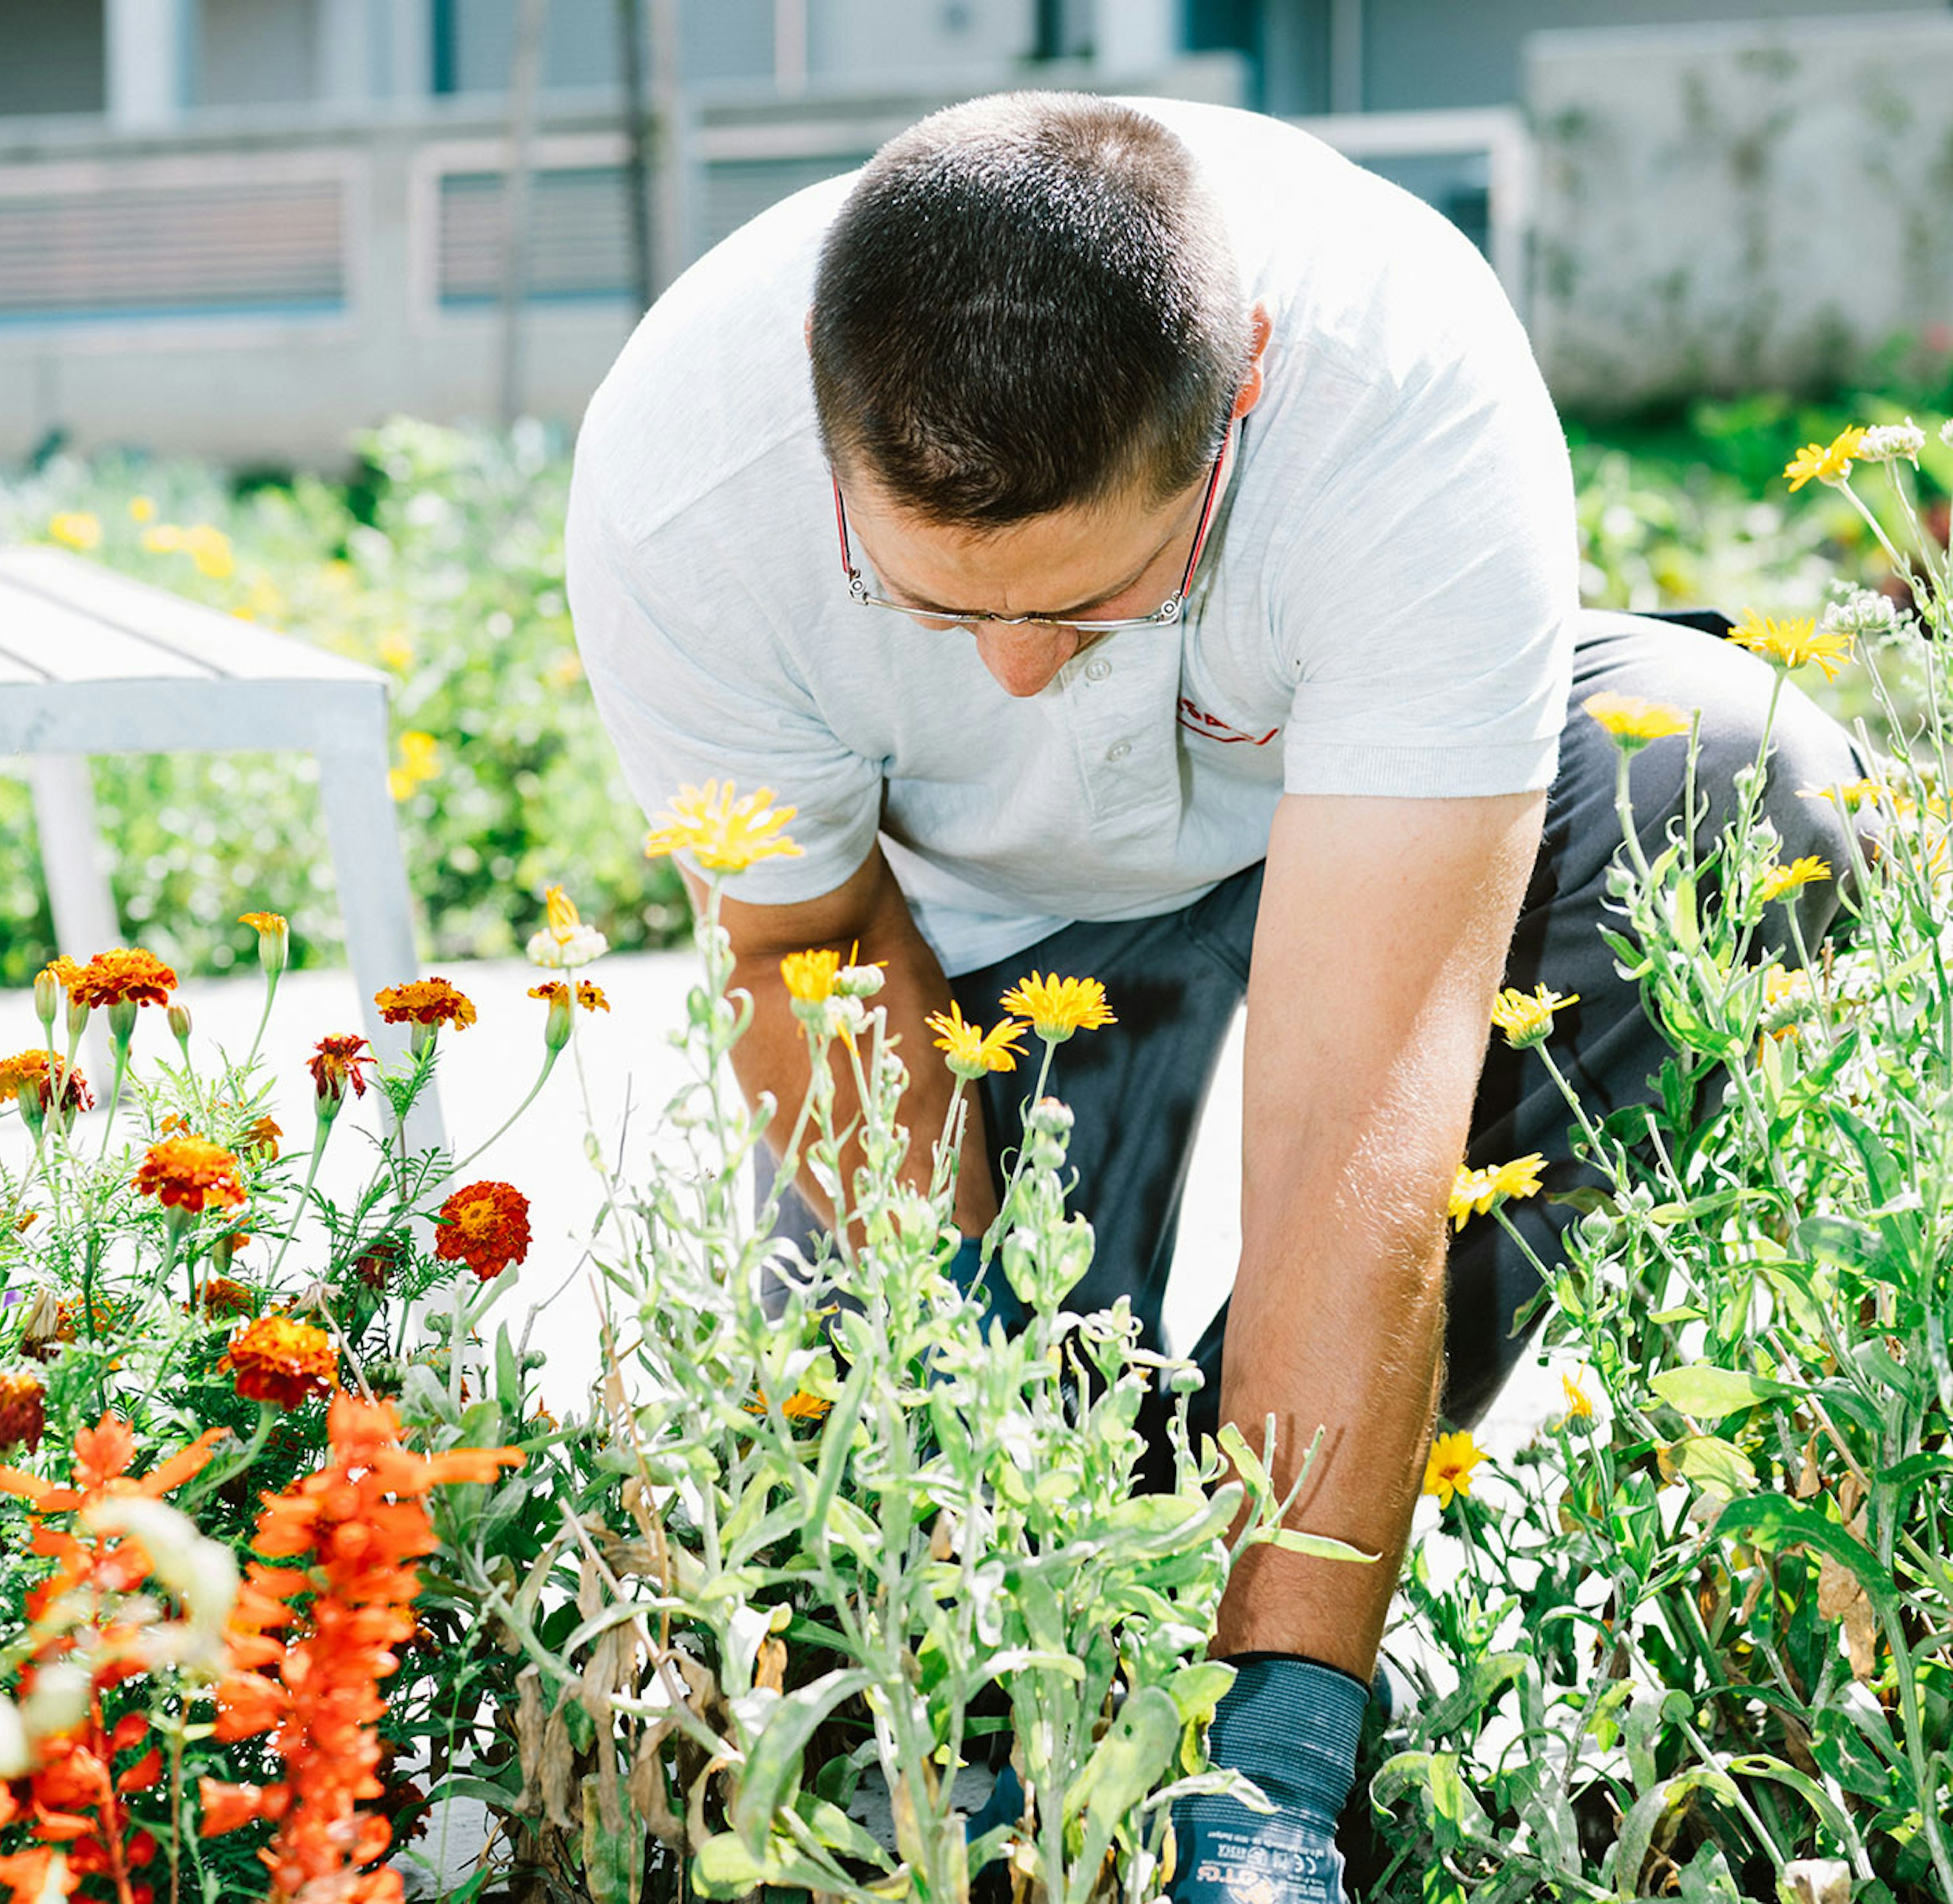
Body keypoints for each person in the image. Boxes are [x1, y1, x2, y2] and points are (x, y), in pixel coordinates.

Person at [565, 91, 1861, 1902]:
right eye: (931, 604)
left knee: (1738, 777)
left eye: (1099, 598)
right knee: (882, 1582)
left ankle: (1262, 1592)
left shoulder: (1401, 392)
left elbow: (1362, 1112)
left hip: (1370, 838)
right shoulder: (680, 480)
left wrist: (1279, 1749)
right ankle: (1151, 1541)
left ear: (1239, 386)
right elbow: (808, 954)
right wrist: (974, 1462)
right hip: (967, 949)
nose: (1016, 671)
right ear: (813, 381)